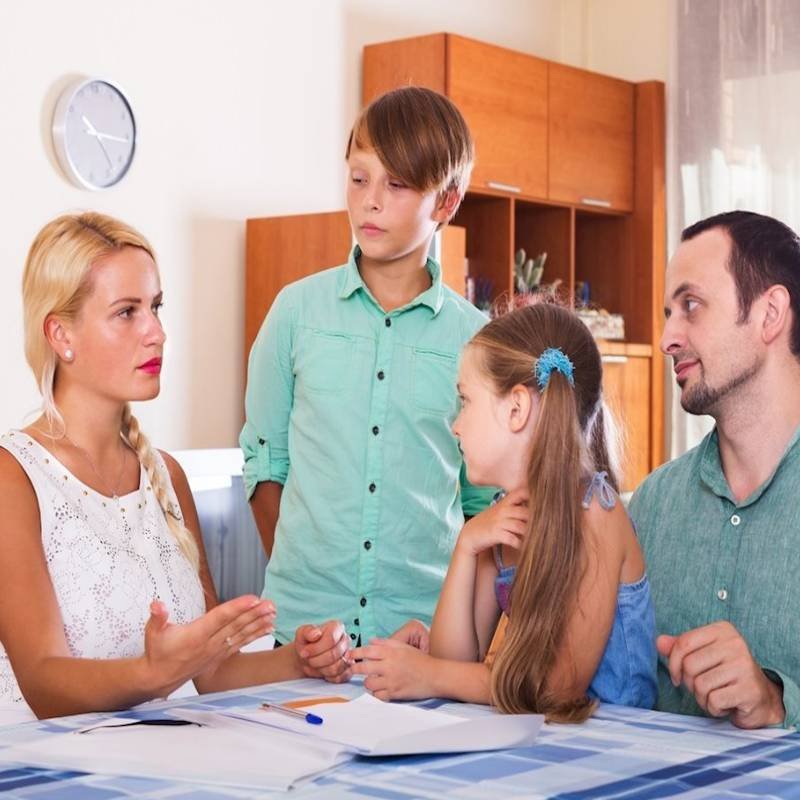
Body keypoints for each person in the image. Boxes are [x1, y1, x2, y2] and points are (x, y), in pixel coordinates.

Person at [0, 212, 349, 721]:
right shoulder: (14, 476)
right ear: (60, 334)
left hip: (169, 762)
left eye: (156, 307)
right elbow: (43, 682)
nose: (156, 333)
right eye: (126, 312)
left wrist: (299, 661)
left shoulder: (165, 475)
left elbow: (211, 673)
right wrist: (153, 673)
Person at [241, 86, 495, 650]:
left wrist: (458, 633)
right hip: (301, 637)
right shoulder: (294, 313)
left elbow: (482, 505)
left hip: (425, 636)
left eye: (397, 184)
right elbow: (266, 465)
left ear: (447, 203)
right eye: (359, 179)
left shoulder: (477, 341)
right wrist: (305, 595)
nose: (370, 202)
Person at [351, 302, 657, 721]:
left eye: (465, 401)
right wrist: (467, 544)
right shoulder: (503, 519)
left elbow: (558, 688)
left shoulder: (596, 515)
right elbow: (453, 657)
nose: (455, 425)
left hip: (626, 745)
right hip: (551, 744)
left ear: (516, 409)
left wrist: (430, 677)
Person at [629, 210, 800, 730]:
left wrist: (776, 700)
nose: (666, 339)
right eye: (667, 313)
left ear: (770, 314)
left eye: (691, 306)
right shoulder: (652, 505)